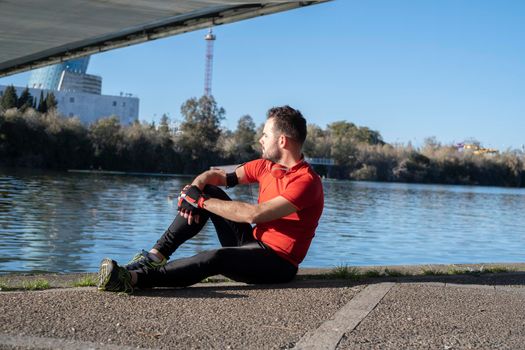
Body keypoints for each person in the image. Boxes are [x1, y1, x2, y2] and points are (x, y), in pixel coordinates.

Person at [97, 105, 324, 293]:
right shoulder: (265, 166)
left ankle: (134, 279)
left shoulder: (306, 182)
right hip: (252, 243)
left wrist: (200, 201)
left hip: (277, 264)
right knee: (209, 191)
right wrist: (195, 190)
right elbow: (215, 175)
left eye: (265, 134)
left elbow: (254, 214)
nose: (260, 139)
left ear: (282, 141)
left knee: (215, 257)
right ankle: (154, 257)